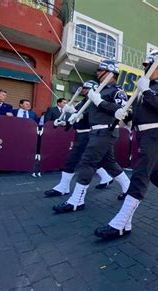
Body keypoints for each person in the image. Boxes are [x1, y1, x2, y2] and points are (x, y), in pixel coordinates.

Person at [94, 51, 158, 240]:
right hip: (142, 134)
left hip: (156, 134)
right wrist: (123, 115)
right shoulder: (144, 87)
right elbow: (135, 114)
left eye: (147, 65)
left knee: (140, 174)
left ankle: (122, 222)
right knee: (154, 171)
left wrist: (146, 91)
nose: (144, 68)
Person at [52, 59, 130, 213]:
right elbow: (89, 114)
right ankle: (129, 187)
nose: (98, 73)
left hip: (106, 131)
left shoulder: (117, 91)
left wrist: (99, 101)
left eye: (101, 70)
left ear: (110, 72)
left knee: (87, 162)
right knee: (109, 163)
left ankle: (77, 200)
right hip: (95, 131)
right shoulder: (100, 91)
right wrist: (75, 115)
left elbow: (120, 110)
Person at [44, 81, 113, 197]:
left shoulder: (93, 103)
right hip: (80, 134)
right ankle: (106, 177)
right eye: (84, 88)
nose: (83, 90)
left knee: (72, 160)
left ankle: (63, 187)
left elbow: (87, 118)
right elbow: (75, 119)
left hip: (87, 134)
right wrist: (63, 123)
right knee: (94, 160)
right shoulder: (82, 102)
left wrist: (74, 111)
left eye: (86, 88)